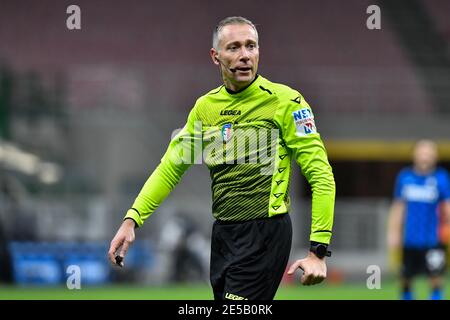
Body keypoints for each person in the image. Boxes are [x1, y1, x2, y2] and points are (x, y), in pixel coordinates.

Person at [108, 16, 336, 300]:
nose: (244, 55)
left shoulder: (286, 102)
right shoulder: (206, 108)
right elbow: (170, 168)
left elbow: (320, 173)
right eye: (234, 47)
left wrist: (318, 251)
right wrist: (132, 220)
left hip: (265, 233)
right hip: (224, 236)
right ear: (216, 56)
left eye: (251, 46)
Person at [387, 140, 450, 300]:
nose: (425, 156)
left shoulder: (441, 178)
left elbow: (447, 206)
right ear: (414, 155)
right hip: (409, 239)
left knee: (436, 277)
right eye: (422, 152)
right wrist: (393, 232)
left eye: (429, 153)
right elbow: (398, 207)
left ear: (435, 156)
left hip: (434, 239)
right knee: (405, 278)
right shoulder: (405, 177)